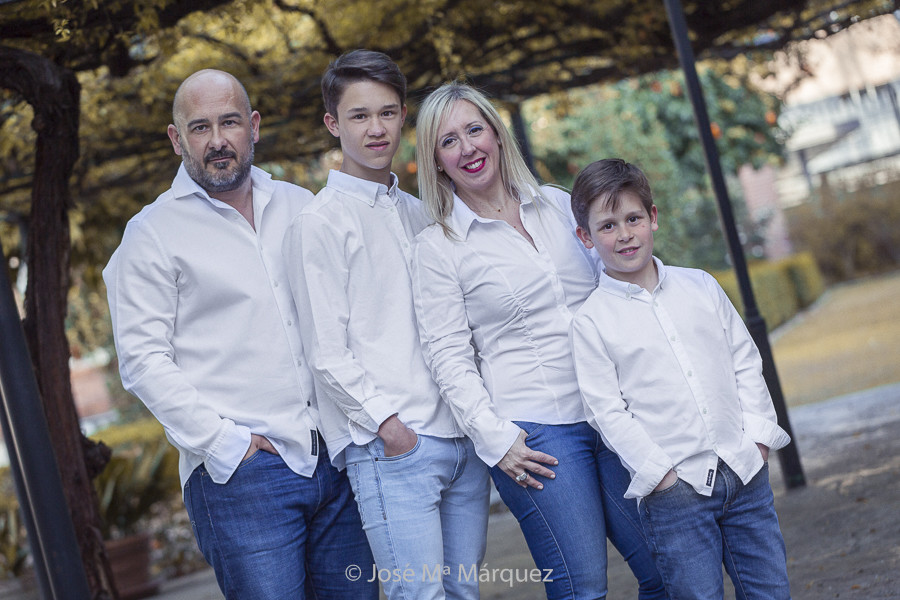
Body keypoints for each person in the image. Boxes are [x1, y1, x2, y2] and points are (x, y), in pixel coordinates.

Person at [103, 69, 377, 600]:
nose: (217, 140)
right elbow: (142, 361)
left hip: (337, 458)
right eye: (200, 127)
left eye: (229, 122)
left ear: (253, 126)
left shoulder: (301, 206)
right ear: (176, 138)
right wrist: (227, 445)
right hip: (243, 479)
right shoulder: (151, 235)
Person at [410, 81, 666, 600]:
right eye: (448, 141)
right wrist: (495, 439)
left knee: (669, 570)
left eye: (475, 130)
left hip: (611, 415)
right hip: (536, 435)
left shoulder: (558, 207)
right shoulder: (437, 249)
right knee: (582, 589)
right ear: (436, 161)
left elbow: (621, 286)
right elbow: (447, 357)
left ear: (498, 134)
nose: (468, 148)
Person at [283, 51, 491, 600]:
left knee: (462, 594)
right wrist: (390, 429)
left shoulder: (421, 212)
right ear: (333, 123)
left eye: (387, 113)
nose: (376, 128)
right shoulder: (319, 223)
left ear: (403, 117)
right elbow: (326, 352)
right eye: (358, 115)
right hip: (396, 449)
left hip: (461, 442)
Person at [568, 158, 792, 599]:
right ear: (586, 238)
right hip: (676, 495)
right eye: (608, 226)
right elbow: (607, 411)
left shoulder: (701, 287)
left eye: (633, 218)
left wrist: (759, 439)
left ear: (653, 218)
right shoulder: (591, 321)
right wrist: (660, 473)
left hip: (744, 471)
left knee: (770, 591)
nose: (625, 234)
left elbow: (744, 360)